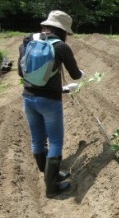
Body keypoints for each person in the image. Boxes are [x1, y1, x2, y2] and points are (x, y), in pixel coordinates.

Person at [18, 10, 84, 198]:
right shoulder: (61, 46)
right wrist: (77, 79)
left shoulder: (28, 41)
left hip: (28, 97)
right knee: (55, 141)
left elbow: (21, 73)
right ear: (63, 29)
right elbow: (76, 75)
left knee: (37, 139)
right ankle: (52, 186)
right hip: (50, 101)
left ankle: (46, 173)